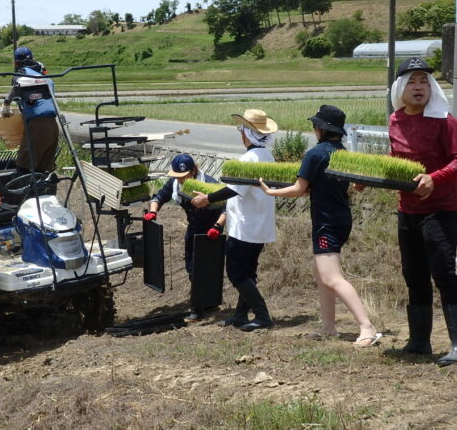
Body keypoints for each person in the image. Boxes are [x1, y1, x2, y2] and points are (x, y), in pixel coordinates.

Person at [259, 105, 381, 346]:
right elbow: (354, 185)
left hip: (326, 223)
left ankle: (367, 327)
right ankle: (328, 326)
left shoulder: (316, 154)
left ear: (322, 129)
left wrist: (269, 191)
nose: (314, 129)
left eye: (315, 126)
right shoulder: (342, 153)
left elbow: (298, 189)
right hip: (342, 219)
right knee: (321, 273)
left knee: (332, 276)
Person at [389, 57, 457, 366]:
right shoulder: (395, 120)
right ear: (401, 87)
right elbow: (395, 158)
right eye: (413, 81)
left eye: (425, 81)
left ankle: (456, 345)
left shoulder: (445, 121)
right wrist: (372, 179)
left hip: (441, 210)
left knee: (445, 274)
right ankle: (419, 342)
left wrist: (435, 177)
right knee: (414, 276)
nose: (420, 87)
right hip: (408, 210)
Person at [191, 109, 277, 332]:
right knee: (248, 272)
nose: (241, 135)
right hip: (260, 225)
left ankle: (262, 315)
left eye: (242, 131)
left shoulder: (248, 159)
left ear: (247, 134)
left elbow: (233, 190)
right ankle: (240, 315)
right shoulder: (268, 156)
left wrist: (207, 198)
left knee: (237, 274)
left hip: (245, 226)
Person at [144, 153, 225, 322]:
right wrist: (153, 211)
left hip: (211, 230)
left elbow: (227, 208)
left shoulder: (209, 184)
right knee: (191, 267)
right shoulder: (175, 184)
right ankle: (205, 303)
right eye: (178, 177)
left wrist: (217, 226)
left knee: (203, 269)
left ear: (193, 171)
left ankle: (198, 309)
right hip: (193, 228)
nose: (180, 180)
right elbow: (159, 197)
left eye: (184, 176)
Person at [1, 47, 59, 174]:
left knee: (23, 166)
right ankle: (44, 191)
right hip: (53, 125)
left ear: (16, 62)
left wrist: (6, 104)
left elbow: (15, 90)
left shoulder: (21, 74)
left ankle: (26, 193)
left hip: (37, 126)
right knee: (43, 168)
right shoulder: (43, 76)